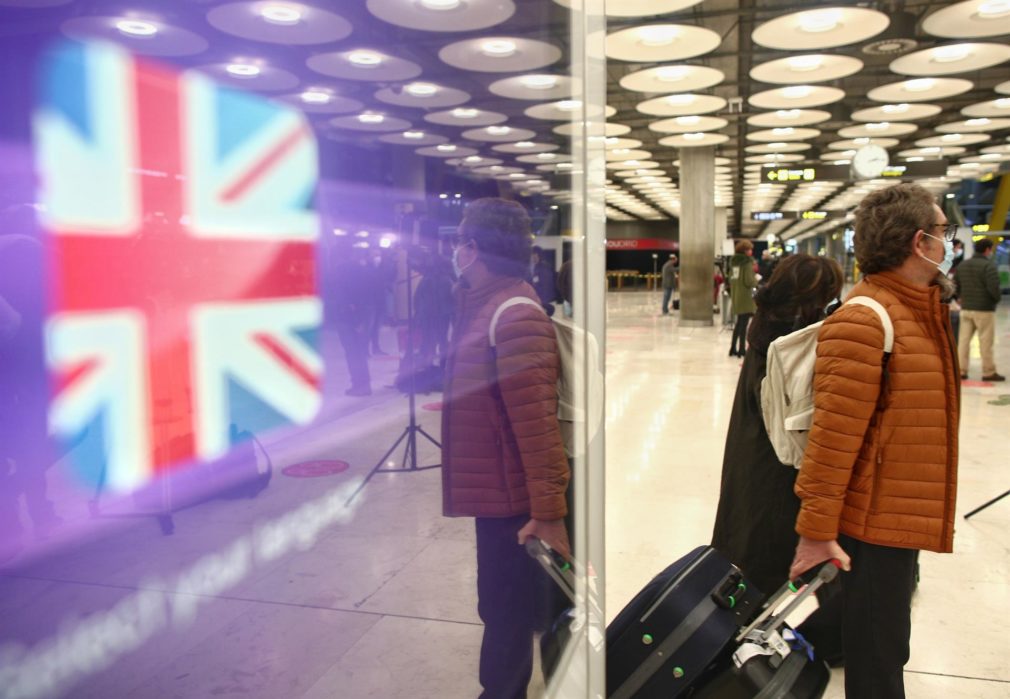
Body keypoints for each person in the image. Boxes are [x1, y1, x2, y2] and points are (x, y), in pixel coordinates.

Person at [789, 183, 960, 699]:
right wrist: (815, 531)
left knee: (884, 648)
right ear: (919, 241)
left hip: (898, 516)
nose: (949, 242)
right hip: (873, 523)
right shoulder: (867, 319)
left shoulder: (919, 311)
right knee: (877, 658)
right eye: (943, 232)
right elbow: (832, 439)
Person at [441, 198, 570, 698]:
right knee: (499, 601)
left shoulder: (513, 313)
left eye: (459, 241)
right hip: (494, 489)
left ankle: (503, 692)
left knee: (506, 606)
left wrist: (549, 513)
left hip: (514, 498)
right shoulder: (480, 303)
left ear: (472, 247)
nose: (455, 250)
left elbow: (537, 427)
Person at [712, 254, 843, 596]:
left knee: (746, 569)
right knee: (763, 580)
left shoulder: (766, 325)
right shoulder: (792, 343)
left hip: (750, 466)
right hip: (776, 478)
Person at [954, 238, 1003, 381]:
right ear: (987, 249)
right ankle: (988, 372)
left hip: (966, 308)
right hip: (984, 309)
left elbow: (955, 283)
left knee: (963, 341)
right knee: (985, 342)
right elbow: (994, 288)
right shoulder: (989, 266)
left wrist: (959, 297)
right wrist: (996, 300)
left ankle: (961, 371)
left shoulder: (963, 265)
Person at [333, 246, 373, 396]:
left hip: (347, 317)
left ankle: (359, 385)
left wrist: (356, 318)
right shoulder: (361, 270)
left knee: (352, 352)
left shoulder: (342, 270)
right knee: (358, 352)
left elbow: (344, 295)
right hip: (357, 316)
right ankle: (363, 384)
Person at [728, 240, 758, 357]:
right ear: (745, 251)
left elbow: (731, 278)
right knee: (744, 324)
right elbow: (749, 281)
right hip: (745, 297)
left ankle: (732, 348)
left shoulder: (733, 263)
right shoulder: (746, 263)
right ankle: (741, 349)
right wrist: (756, 280)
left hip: (736, 295)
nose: (751, 251)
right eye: (749, 249)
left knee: (738, 324)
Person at [529, 245, 558, 315]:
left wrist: (542, 301)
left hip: (543, 300)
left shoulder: (544, 268)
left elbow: (546, 286)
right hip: (536, 299)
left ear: (538, 255)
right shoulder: (533, 267)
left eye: (534, 254)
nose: (532, 257)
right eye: (531, 255)